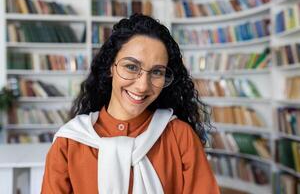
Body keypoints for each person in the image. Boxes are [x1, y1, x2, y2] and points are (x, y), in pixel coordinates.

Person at [41, 14, 220, 194]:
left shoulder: (181, 137)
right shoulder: (69, 142)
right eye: (131, 67)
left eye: (157, 72)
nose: (142, 86)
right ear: (111, 66)